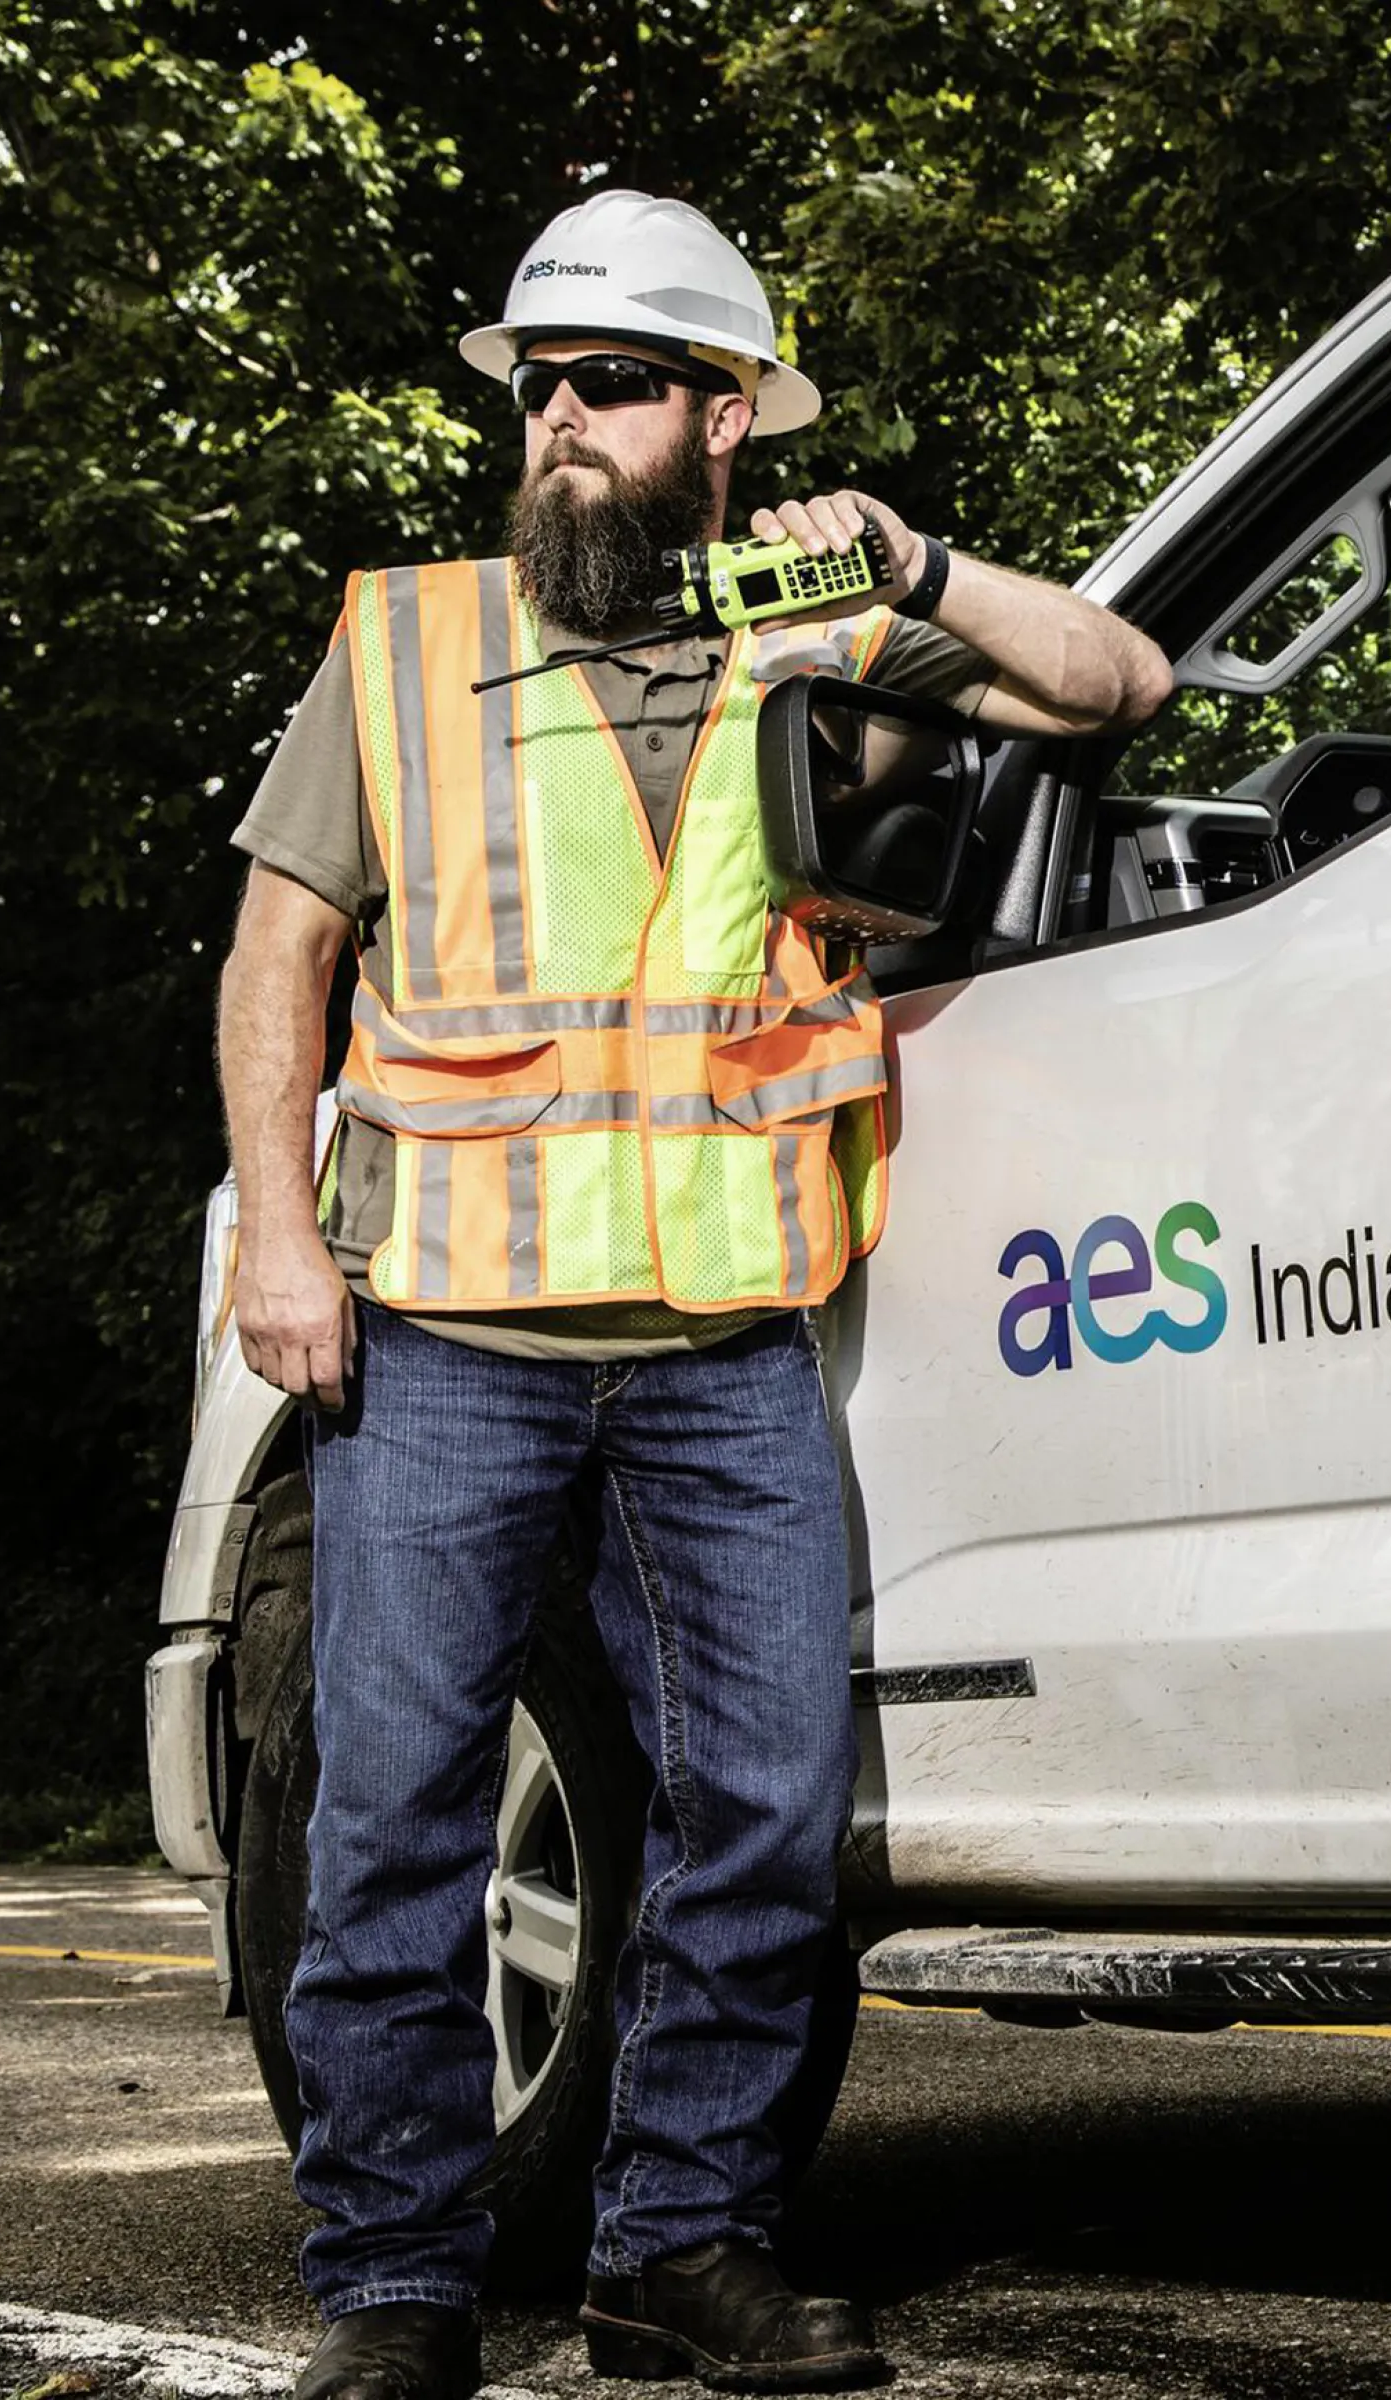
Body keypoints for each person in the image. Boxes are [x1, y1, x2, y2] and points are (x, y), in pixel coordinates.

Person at [217, 189, 1170, 2400]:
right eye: (536, 386)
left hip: (722, 1341)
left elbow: (1108, 679)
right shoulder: (404, 649)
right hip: (441, 1332)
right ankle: (393, 2290)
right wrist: (278, 1235)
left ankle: (675, 2253)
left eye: (613, 386)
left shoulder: (809, 627)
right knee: (394, 1820)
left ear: (723, 421)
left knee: (755, 1819)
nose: (557, 422)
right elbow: (280, 959)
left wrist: (909, 570)